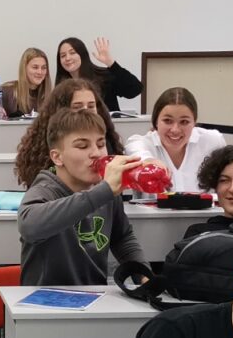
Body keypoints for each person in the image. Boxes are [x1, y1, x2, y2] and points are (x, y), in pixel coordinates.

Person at [18, 108, 148, 287]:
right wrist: (103, 192)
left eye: (101, 144)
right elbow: (29, 226)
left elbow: (122, 237)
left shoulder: (106, 190)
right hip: (46, 299)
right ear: (57, 157)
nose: (96, 153)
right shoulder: (46, 189)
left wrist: (144, 276)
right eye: (82, 146)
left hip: (96, 297)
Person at [14, 79, 125, 186]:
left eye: (91, 106)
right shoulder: (45, 183)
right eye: (77, 107)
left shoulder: (108, 141)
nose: (86, 111)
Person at [125, 87, 227, 192]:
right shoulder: (142, 143)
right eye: (167, 121)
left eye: (184, 122)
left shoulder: (213, 141)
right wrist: (149, 162)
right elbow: (135, 149)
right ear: (156, 121)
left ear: (194, 122)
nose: (175, 130)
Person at [56, 37, 142, 113]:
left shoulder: (104, 77)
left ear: (82, 55)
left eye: (72, 53)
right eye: (63, 56)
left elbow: (135, 89)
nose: (67, 58)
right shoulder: (61, 87)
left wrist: (111, 63)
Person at [0, 47, 51, 120]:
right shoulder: (10, 91)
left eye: (44, 68)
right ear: (24, 68)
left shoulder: (51, 96)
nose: (40, 72)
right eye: (35, 67)